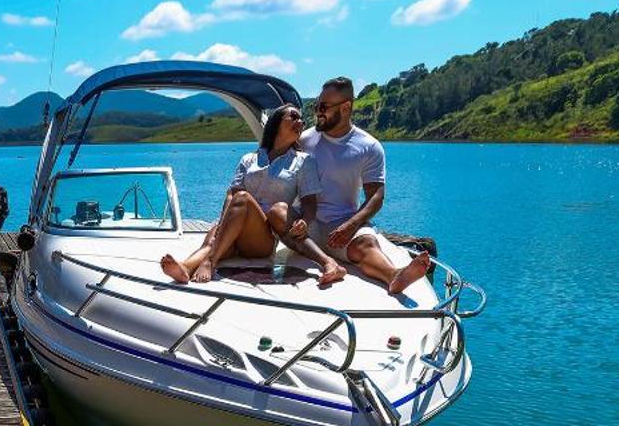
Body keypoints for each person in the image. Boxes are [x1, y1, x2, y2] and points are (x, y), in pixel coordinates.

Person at [160, 105, 345, 288]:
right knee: (215, 235)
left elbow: (309, 202)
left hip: (261, 239)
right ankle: (185, 267)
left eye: (302, 120)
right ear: (276, 123)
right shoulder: (249, 159)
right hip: (234, 229)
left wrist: (305, 220)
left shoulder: (303, 161)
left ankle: (210, 261)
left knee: (244, 198)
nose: (301, 122)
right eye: (294, 117)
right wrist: (223, 223)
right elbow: (230, 193)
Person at [301, 78, 430, 295]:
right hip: (306, 224)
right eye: (316, 106)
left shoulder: (369, 147)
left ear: (346, 107)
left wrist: (350, 226)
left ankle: (394, 276)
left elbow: (376, 196)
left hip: (342, 226)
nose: (317, 112)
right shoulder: (304, 140)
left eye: (323, 107)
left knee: (367, 244)